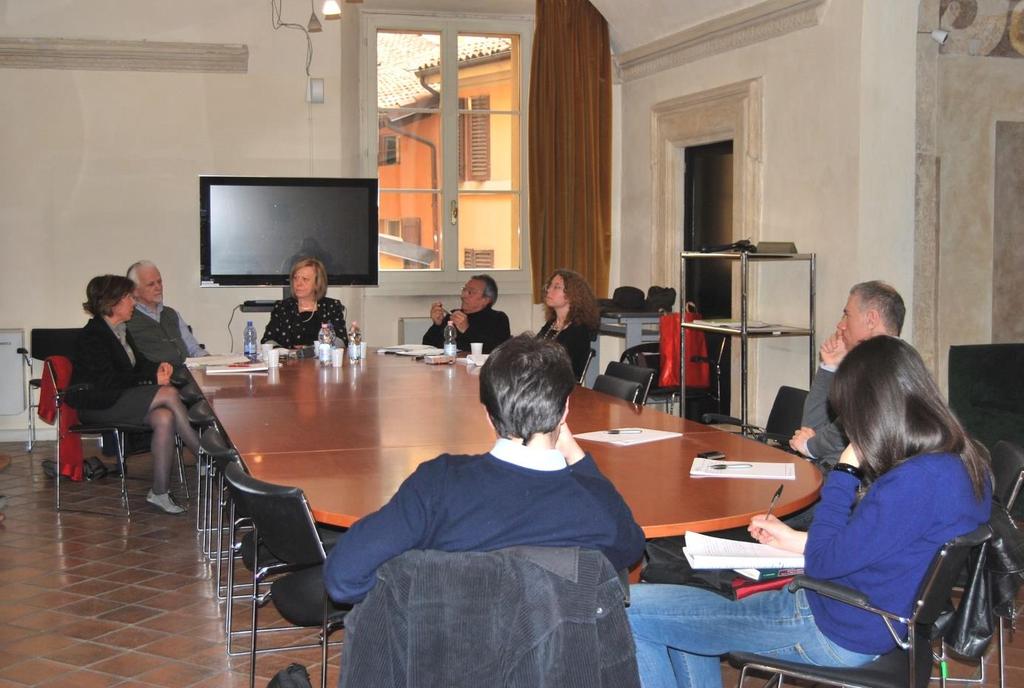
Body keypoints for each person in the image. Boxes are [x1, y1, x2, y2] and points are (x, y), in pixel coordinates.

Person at [627, 335, 991, 688]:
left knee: (628, 608)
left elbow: (824, 561)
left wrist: (846, 471)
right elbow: (879, 545)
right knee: (678, 613)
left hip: (832, 626)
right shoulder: (964, 463)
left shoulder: (911, 485)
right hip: (872, 617)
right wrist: (796, 539)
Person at [324, 334, 646, 604]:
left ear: (488, 416)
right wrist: (576, 456)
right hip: (553, 664)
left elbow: (343, 578)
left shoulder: (439, 483)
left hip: (450, 660)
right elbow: (631, 548)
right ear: (564, 411)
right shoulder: (595, 508)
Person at [68, 275, 202, 515]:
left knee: (164, 418)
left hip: (119, 398)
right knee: (169, 393)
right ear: (114, 302)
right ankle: (205, 456)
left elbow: (139, 365)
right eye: (129, 297)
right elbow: (107, 382)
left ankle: (159, 492)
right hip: (98, 404)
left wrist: (158, 367)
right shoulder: (93, 336)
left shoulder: (121, 330)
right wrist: (153, 380)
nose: (134, 302)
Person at [789, 280, 905, 469]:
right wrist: (830, 367)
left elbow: (846, 428)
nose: (840, 324)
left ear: (871, 319)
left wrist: (810, 446)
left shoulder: (883, 365)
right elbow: (812, 426)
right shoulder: (891, 359)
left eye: (847, 315)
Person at [125, 260, 208, 366]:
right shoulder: (127, 319)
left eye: (159, 282)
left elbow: (193, 349)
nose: (158, 287)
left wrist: (212, 361)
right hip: (156, 379)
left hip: (187, 375)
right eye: (151, 284)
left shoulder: (172, 314)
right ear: (135, 291)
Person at [261, 257, 348, 349]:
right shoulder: (282, 307)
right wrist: (283, 353)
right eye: (295, 278)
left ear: (317, 283)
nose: (298, 283)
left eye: (305, 279)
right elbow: (267, 340)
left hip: (322, 361)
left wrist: (311, 350)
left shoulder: (331, 307)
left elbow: (342, 341)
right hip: (288, 362)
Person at [422, 274, 511, 354]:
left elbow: (498, 352)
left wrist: (467, 330)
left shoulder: (498, 319)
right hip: (448, 367)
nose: (463, 295)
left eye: (470, 292)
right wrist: (437, 325)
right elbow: (427, 346)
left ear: (486, 300)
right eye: (464, 290)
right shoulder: (453, 315)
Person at [537, 269, 599, 381]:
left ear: (572, 294)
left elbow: (563, 369)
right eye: (549, 286)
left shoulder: (578, 330)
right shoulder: (551, 324)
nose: (549, 290)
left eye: (556, 287)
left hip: (561, 387)